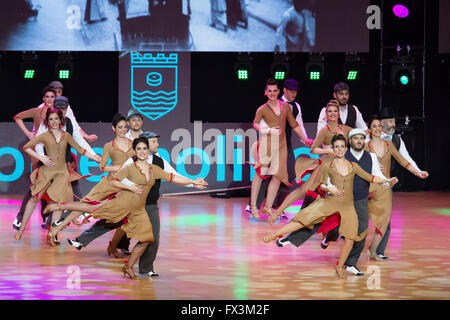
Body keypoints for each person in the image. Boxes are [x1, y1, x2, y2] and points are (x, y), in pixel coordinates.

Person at [43, 137, 207, 278]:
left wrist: (194, 182)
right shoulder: (129, 167)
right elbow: (114, 181)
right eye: (139, 149)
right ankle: (58, 206)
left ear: (148, 150)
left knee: (148, 238)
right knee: (90, 208)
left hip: (138, 209)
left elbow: (173, 177)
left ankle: (128, 266)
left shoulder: (154, 169)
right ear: (135, 151)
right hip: (121, 204)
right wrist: (130, 187)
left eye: (144, 148)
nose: (142, 151)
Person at [263, 134, 394, 278]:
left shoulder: (353, 163)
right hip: (331, 200)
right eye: (336, 146)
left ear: (345, 148)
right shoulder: (327, 163)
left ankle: (342, 265)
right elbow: (321, 181)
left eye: (341, 147)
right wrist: (329, 188)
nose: (339, 149)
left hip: (349, 204)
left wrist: (386, 179)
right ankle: (278, 235)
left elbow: (370, 175)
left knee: (351, 235)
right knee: (306, 219)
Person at [14, 108, 99, 244]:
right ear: (47, 121)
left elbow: (81, 150)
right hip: (47, 172)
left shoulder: (66, 136)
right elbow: (27, 147)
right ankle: (21, 228)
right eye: (51, 119)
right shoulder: (44, 135)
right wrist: (41, 157)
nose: (53, 122)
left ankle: (53, 234)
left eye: (56, 119)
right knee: (35, 198)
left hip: (62, 173)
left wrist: (95, 157)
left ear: (61, 120)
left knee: (59, 203)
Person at [268, 100, 352, 223]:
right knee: (304, 189)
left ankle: (339, 227)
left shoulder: (345, 129)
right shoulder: (324, 130)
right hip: (325, 166)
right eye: (330, 111)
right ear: (326, 115)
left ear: (339, 114)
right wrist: (327, 150)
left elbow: (361, 136)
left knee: (343, 195)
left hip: (340, 167)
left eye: (335, 111)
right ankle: (278, 212)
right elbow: (313, 149)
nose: (332, 114)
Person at [245, 79, 312, 217]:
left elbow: (295, 124)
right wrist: (268, 129)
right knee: (261, 174)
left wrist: (305, 139)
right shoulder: (262, 109)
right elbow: (255, 124)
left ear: (279, 91)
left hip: (282, 144)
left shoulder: (287, 107)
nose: (272, 93)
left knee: (280, 175)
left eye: (275, 90)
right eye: (269, 91)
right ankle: (253, 205)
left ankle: (270, 206)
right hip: (267, 144)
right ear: (265, 92)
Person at [364, 117, 428, 260]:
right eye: (374, 126)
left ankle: (373, 251)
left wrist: (419, 172)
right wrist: (371, 166)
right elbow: (356, 163)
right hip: (369, 186)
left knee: (384, 221)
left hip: (385, 186)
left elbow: (403, 161)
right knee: (362, 222)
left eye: (379, 126)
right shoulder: (365, 146)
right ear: (369, 130)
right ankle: (352, 255)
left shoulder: (388, 144)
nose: (378, 129)